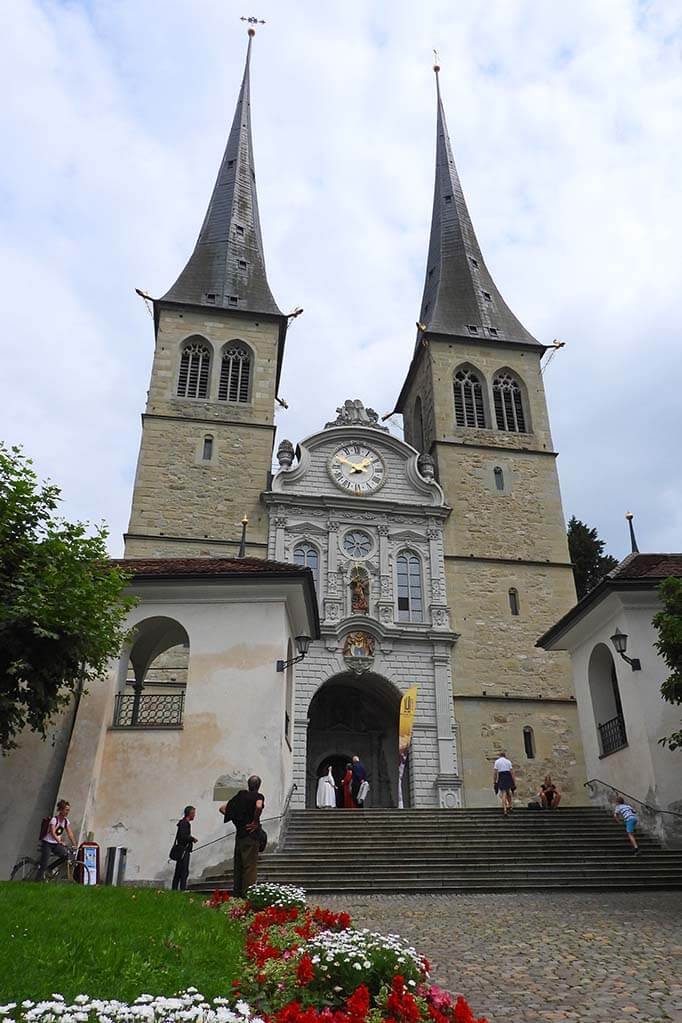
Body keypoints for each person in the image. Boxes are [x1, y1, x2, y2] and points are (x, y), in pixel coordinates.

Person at [219, 775, 265, 897]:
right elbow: (259, 805)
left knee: (238, 865)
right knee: (250, 866)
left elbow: (222, 808)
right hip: (251, 835)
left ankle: (237, 892)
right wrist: (255, 821)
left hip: (240, 834)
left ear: (248, 785)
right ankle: (248, 894)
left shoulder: (239, 796)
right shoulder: (258, 796)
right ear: (258, 786)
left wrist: (237, 819)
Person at [37, 799, 76, 880]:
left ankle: (50, 868)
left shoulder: (65, 821)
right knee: (43, 864)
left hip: (55, 844)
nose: (67, 812)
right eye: (66, 810)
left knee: (66, 856)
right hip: (47, 843)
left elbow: (70, 833)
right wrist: (60, 842)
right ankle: (36, 882)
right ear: (61, 810)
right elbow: (52, 832)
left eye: (68, 810)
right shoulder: (54, 820)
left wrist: (74, 844)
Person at [171, 805, 198, 891]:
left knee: (179, 871)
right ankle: (182, 889)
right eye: (193, 813)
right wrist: (192, 838)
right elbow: (183, 836)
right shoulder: (184, 823)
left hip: (182, 850)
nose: (194, 815)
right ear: (189, 814)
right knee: (183, 871)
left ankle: (175, 889)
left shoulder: (183, 823)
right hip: (183, 850)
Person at [493, 751, 516, 816]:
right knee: (508, 792)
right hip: (508, 776)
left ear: (500, 755)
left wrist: (494, 781)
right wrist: (514, 781)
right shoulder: (508, 761)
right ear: (505, 755)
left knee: (503, 793)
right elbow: (512, 772)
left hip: (501, 776)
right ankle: (510, 806)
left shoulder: (497, 762)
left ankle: (505, 809)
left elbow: (495, 772)